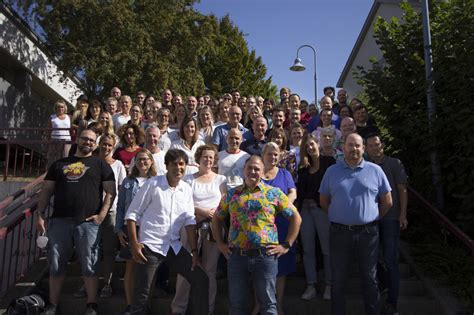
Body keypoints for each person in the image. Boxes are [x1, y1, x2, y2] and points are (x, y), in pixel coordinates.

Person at [36, 128, 116, 315]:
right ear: (77, 140)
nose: (88, 142)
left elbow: (111, 192)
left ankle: (91, 305)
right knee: (56, 265)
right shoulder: (59, 165)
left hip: (88, 224)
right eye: (85, 139)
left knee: (90, 265)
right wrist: (40, 214)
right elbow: (47, 190)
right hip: (60, 222)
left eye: (91, 140)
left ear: (95, 144)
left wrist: (102, 215)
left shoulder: (101, 165)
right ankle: (53, 305)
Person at [212, 155, 301, 315]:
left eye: (257, 169)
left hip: (265, 256)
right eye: (249, 168)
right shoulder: (232, 194)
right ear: (244, 170)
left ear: (262, 171)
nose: (252, 171)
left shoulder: (274, 193)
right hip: (237, 256)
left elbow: (296, 218)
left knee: (268, 303)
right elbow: (217, 218)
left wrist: (286, 244)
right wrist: (220, 243)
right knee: (237, 303)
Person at [125, 149, 209, 315]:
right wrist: (134, 244)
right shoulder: (152, 184)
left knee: (201, 279)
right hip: (150, 246)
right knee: (143, 292)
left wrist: (193, 252)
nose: (178, 167)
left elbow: (190, 221)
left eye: (181, 164)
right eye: (174, 164)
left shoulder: (186, 189)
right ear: (167, 166)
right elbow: (132, 214)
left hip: (174, 246)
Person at [319, 133, 393, 315]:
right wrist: (341, 216)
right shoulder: (331, 171)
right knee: (338, 279)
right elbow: (323, 201)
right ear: (343, 148)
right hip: (339, 233)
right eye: (350, 145)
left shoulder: (375, 170)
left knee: (370, 278)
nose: (354, 149)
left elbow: (388, 201)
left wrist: (371, 217)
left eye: (358, 145)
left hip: (368, 234)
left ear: (364, 148)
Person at [171, 145, 227, 315]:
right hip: (190, 227)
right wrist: (202, 212)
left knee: (209, 270)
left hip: (213, 228)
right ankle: (178, 309)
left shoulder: (221, 180)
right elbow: (182, 201)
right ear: (198, 158)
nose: (208, 160)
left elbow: (225, 204)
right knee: (187, 267)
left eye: (211, 157)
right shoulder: (189, 179)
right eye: (205, 157)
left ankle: (207, 310)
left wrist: (213, 214)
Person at [366, 135, 408, 315]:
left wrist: (403, 214)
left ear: (382, 145)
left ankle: (392, 303)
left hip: (391, 218)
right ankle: (383, 283)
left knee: (391, 260)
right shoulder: (365, 166)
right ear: (367, 148)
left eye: (378, 145)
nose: (375, 148)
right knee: (371, 258)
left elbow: (402, 189)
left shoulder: (394, 163)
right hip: (371, 219)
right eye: (371, 146)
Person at [255, 143, 297, 315]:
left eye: (275, 155)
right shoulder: (256, 173)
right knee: (259, 267)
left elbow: (293, 193)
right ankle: (260, 304)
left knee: (280, 268)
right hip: (260, 225)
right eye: (269, 154)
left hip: (281, 223)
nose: (272, 157)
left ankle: (277, 304)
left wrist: (282, 205)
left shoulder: (285, 174)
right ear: (263, 155)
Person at [115, 148, 157, 315]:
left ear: (151, 161)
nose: (142, 162)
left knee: (149, 269)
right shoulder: (128, 181)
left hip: (150, 230)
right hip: (131, 228)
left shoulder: (157, 181)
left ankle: (145, 305)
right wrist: (119, 229)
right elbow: (120, 208)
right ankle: (130, 305)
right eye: (139, 159)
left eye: (145, 159)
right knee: (131, 268)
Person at [297, 134, 335, 301]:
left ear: (318, 144)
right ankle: (311, 284)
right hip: (305, 210)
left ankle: (329, 284)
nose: (310, 147)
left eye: (312, 144)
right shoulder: (303, 168)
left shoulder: (329, 163)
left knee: (327, 249)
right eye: (307, 146)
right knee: (308, 249)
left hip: (322, 209)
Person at [97, 134, 126, 298]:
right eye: (104, 144)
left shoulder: (118, 165)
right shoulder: (91, 161)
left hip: (111, 211)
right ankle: (87, 283)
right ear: (99, 144)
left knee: (108, 249)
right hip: (90, 210)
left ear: (113, 147)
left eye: (110, 145)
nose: (106, 148)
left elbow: (121, 190)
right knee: (89, 250)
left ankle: (107, 283)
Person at [47, 100, 72, 167]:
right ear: (56, 108)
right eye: (58, 107)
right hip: (55, 140)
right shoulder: (52, 117)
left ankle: (64, 174)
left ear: (64, 108)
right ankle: (51, 174)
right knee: (53, 159)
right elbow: (48, 130)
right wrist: (48, 140)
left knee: (65, 158)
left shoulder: (68, 117)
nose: (60, 109)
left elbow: (71, 128)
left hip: (66, 141)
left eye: (62, 107)